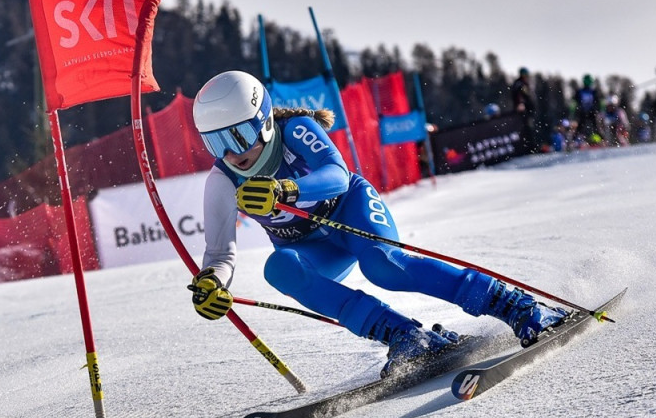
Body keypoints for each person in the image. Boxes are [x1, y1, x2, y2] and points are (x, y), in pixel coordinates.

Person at [187, 70, 568, 371]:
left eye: (237, 137)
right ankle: (405, 337)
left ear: (264, 121)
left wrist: (286, 189)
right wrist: (211, 282)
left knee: (383, 265)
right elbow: (220, 252)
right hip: (311, 247)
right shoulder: (221, 181)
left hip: (349, 210)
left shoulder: (295, 129)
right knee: (279, 269)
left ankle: (515, 304)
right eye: (215, 144)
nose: (231, 154)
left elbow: (336, 174)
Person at [510, 67, 538, 153]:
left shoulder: (525, 83)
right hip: (523, 110)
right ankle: (529, 148)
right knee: (526, 128)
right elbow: (519, 95)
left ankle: (531, 147)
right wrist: (521, 103)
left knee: (530, 128)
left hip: (528, 109)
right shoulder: (519, 83)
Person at [572, 74, 602, 144]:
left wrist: (599, 110)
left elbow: (598, 101)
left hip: (592, 112)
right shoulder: (579, 91)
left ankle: (599, 140)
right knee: (580, 127)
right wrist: (574, 111)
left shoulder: (594, 92)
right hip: (582, 112)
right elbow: (574, 102)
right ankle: (575, 141)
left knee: (596, 127)